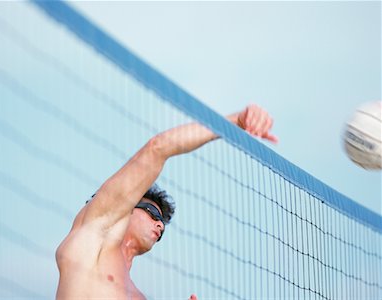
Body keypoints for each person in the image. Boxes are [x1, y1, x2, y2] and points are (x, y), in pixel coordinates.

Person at [55, 104, 278, 299]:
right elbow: (158, 148)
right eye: (152, 213)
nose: (160, 224)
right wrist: (232, 122)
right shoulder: (93, 234)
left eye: (161, 221)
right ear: (127, 208)